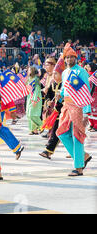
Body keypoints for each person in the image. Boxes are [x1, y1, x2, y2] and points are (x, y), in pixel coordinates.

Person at [55, 44, 92, 176]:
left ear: (75, 58)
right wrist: (59, 97)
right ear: (64, 59)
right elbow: (65, 90)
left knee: (77, 136)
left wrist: (86, 113)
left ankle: (78, 168)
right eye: (67, 57)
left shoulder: (80, 71)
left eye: (72, 57)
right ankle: (83, 156)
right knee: (61, 133)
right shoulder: (64, 73)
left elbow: (86, 90)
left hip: (78, 107)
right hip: (66, 106)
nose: (69, 59)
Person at [39, 57, 65, 159]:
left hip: (64, 111)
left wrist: (60, 99)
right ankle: (48, 151)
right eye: (53, 74)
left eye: (56, 74)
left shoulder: (65, 85)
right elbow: (48, 95)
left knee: (58, 132)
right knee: (59, 132)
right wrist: (48, 101)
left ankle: (48, 151)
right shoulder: (53, 84)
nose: (53, 76)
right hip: (56, 112)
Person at [27, 67, 43, 135]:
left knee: (33, 114)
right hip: (29, 98)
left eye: (29, 70)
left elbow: (37, 90)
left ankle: (42, 125)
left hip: (35, 99)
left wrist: (34, 100)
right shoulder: (28, 79)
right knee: (28, 114)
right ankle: (33, 129)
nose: (28, 71)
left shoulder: (36, 80)